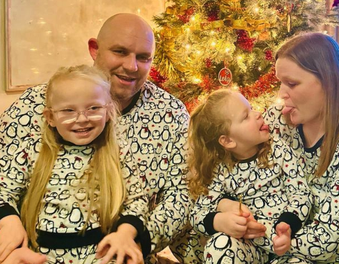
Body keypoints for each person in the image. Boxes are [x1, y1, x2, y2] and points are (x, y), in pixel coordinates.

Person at [0, 13, 199, 264]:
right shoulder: (34, 105)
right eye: (120, 51)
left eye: (143, 57)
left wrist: (133, 243)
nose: (131, 66)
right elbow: (5, 182)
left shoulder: (170, 114)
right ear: (95, 49)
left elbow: (181, 194)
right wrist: (10, 236)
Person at [220, 32, 339, 263]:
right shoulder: (276, 121)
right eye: (280, 82)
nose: (282, 94)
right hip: (282, 247)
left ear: (327, 82)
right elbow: (231, 174)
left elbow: (323, 243)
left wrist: (255, 233)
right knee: (222, 245)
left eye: (292, 83)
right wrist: (226, 212)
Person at [0, 65, 148, 264]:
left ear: (109, 111)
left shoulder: (117, 152)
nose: (82, 119)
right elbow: (3, 191)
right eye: (69, 110)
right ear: (50, 117)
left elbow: (137, 200)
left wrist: (125, 234)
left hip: (100, 257)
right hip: (41, 257)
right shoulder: (32, 151)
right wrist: (9, 221)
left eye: (93, 108)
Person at [188, 89, 312, 263]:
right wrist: (219, 221)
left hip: (284, 248)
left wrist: (287, 226)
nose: (258, 114)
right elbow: (197, 214)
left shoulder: (277, 149)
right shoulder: (221, 168)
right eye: (246, 116)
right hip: (248, 249)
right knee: (218, 244)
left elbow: (301, 193)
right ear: (228, 141)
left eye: (252, 108)